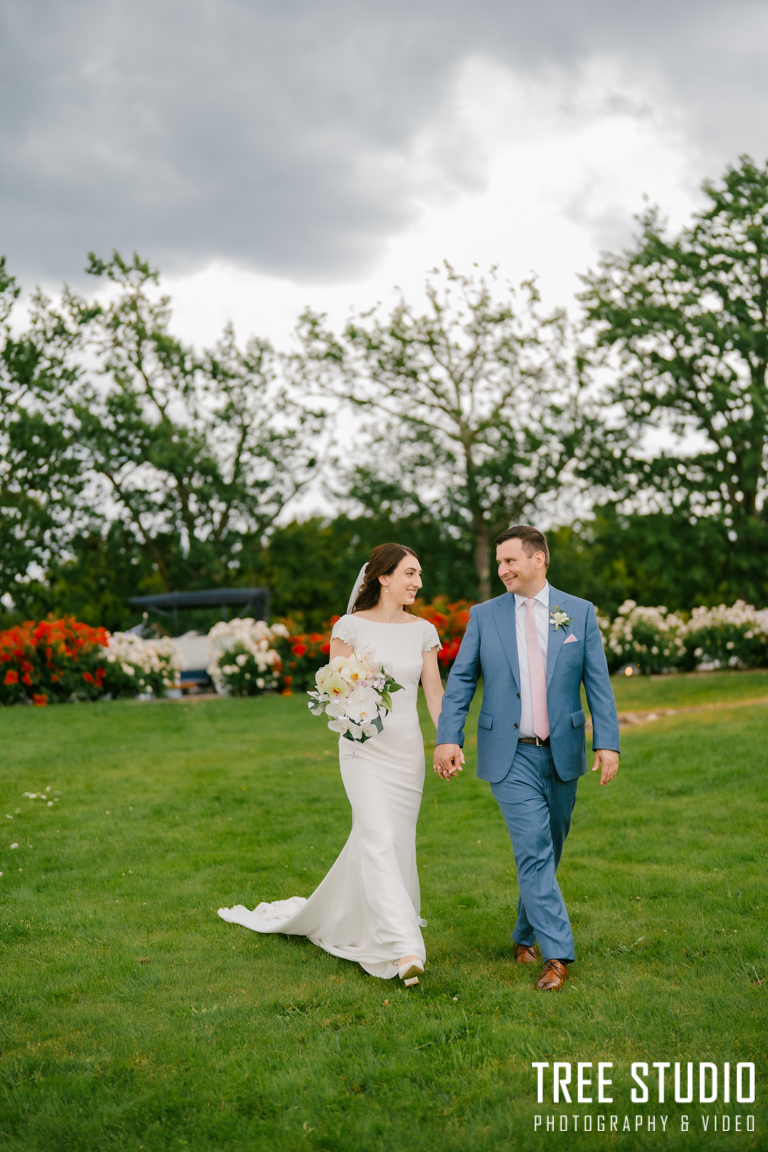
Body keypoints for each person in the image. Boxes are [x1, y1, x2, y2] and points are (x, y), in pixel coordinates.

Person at [218, 543, 444, 985]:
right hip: (363, 751)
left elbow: (434, 693)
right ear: (383, 577)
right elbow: (336, 690)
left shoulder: (423, 631)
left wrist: (447, 739)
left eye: (419, 574)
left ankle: (367, 921)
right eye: (410, 573)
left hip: (406, 752)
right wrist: (357, 706)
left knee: (396, 841)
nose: (418, 582)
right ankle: (405, 947)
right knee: (377, 836)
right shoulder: (350, 627)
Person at [434, 525, 620, 991]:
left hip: (563, 752)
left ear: (539, 560)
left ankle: (523, 935)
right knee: (535, 848)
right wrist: (448, 737)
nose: (503, 569)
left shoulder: (578, 612)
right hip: (509, 754)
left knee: (547, 851)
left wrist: (607, 742)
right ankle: (557, 956)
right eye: (499, 562)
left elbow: (597, 681)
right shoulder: (484, 616)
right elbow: (461, 680)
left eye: (510, 560)